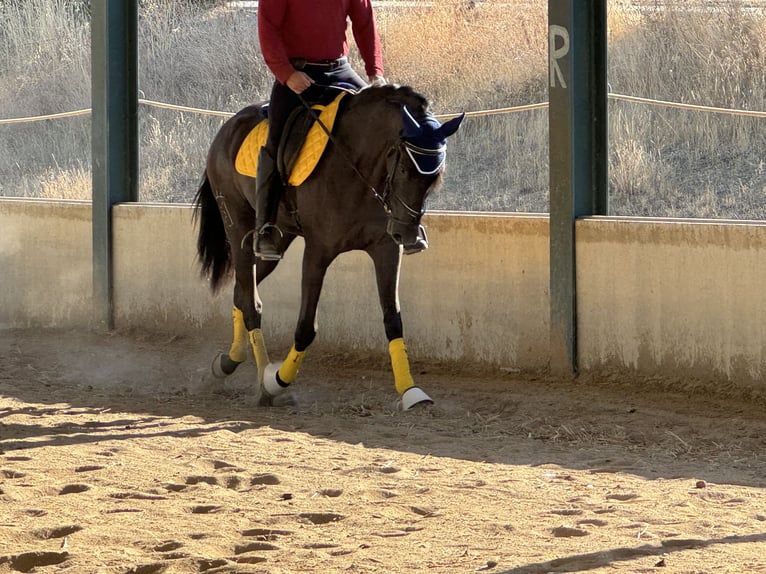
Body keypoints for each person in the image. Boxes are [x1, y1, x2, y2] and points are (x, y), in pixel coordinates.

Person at [255, 0, 387, 260]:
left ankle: (396, 219)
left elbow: (364, 22)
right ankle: (266, 228)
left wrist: (375, 73)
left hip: (341, 71)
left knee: (381, 124)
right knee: (276, 141)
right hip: (298, 74)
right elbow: (268, 28)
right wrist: (286, 73)